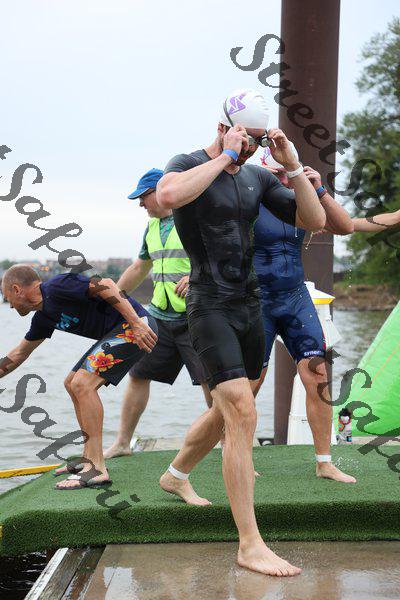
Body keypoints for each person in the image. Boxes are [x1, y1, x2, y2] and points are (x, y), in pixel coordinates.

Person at [156, 88, 326, 577]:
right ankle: (249, 544)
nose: (252, 147)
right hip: (208, 302)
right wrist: (225, 156)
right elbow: (168, 197)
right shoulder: (189, 163)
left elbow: (314, 220)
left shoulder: (258, 177)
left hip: (250, 304)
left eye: (258, 139)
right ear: (224, 128)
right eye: (245, 137)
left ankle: (175, 474)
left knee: (228, 408)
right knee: (242, 411)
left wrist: (292, 167)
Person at [0, 265, 157, 490]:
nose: (9, 305)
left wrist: (135, 323)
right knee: (71, 383)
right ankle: (88, 458)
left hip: (136, 326)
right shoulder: (43, 318)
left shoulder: (57, 286)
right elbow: (18, 354)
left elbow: (107, 284)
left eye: (7, 298)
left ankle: (97, 468)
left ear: (17, 289)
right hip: (119, 331)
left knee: (82, 384)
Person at [253, 144, 356, 483]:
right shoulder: (249, 197)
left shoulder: (301, 199)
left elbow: (345, 226)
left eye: (288, 174)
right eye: (277, 175)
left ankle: (324, 462)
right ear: (264, 171)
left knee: (318, 376)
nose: (283, 181)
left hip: (295, 298)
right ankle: (235, 451)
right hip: (257, 299)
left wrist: (319, 190)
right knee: (249, 384)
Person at [105, 169, 212, 474]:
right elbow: (141, 266)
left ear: (161, 191)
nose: (141, 204)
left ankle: (232, 444)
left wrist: (196, 276)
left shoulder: (196, 216)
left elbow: (223, 257)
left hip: (196, 316)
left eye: (143, 197)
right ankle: (123, 442)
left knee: (213, 384)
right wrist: (114, 297)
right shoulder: (152, 226)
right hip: (160, 316)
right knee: (138, 375)